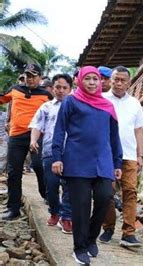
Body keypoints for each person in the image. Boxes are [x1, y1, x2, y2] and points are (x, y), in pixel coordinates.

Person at [51, 66, 122, 264]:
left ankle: (91, 238)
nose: (92, 82)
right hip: (77, 161)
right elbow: (59, 130)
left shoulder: (107, 105)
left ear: (101, 82)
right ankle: (79, 247)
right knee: (80, 206)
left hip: (103, 161)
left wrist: (117, 162)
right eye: (88, 79)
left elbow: (114, 137)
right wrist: (57, 156)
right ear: (80, 81)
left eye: (95, 79)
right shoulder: (71, 102)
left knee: (104, 197)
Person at [100, 66, 143, 247]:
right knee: (106, 192)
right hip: (106, 155)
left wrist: (140, 155)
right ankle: (108, 228)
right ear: (110, 80)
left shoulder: (135, 103)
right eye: (115, 79)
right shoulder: (102, 100)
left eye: (122, 80)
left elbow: (139, 130)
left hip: (129, 155)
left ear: (129, 82)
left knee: (130, 192)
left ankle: (128, 233)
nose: (119, 83)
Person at [0, 63, 52, 220]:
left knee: (38, 166)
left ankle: (48, 196)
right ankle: (13, 208)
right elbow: (2, 99)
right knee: (14, 172)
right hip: (16, 136)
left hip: (36, 136)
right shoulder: (15, 90)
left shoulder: (46, 95)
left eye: (33, 76)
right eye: (28, 76)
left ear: (40, 78)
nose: (30, 79)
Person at [29, 73, 73, 234]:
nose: (61, 91)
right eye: (58, 87)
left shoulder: (75, 106)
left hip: (71, 151)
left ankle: (67, 217)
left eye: (64, 88)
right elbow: (37, 125)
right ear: (52, 89)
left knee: (69, 185)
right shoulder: (46, 107)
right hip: (49, 151)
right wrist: (33, 140)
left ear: (70, 89)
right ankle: (55, 212)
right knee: (52, 185)